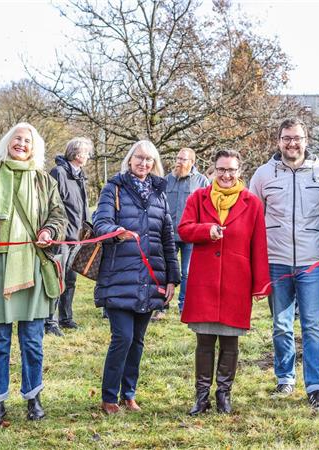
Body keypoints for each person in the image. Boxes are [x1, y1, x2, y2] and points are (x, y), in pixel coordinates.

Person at [0, 123, 67, 426]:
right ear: (7, 142)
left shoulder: (45, 181)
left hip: (33, 265)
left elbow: (58, 216)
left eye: (27, 141)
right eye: (17, 139)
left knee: (32, 339)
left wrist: (49, 231)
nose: (21, 144)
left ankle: (33, 397)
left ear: (35, 148)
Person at [249, 117, 319, 412]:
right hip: (276, 260)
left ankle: (316, 387)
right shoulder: (263, 175)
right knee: (281, 325)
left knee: (312, 326)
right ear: (278, 141)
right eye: (286, 138)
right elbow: (254, 218)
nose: (292, 143)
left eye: (297, 137)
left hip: (313, 263)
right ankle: (285, 378)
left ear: (306, 139)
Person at [179, 149, 271, 415]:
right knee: (204, 341)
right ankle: (201, 396)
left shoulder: (251, 203)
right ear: (213, 171)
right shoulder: (199, 197)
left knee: (230, 342)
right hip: (204, 281)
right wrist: (205, 231)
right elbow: (184, 229)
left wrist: (261, 283)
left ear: (239, 171)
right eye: (221, 169)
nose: (226, 175)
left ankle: (223, 395)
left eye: (231, 170)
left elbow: (259, 245)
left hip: (236, 282)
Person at [92, 140, 181, 414]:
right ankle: (109, 397)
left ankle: (128, 394)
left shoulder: (159, 193)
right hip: (119, 275)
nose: (144, 164)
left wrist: (172, 278)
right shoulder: (114, 188)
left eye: (149, 160)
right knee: (123, 337)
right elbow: (100, 223)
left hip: (150, 277)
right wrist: (117, 230)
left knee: (138, 340)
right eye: (139, 158)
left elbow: (168, 238)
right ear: (130, 160)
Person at [44, 137, 92, 336]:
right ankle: (50, 321)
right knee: (57, 278)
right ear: (78, 153)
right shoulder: (59, 173)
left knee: (70, 280)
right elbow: (53, 204)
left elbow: (82, 206)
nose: (88, 156)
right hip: (62, 237)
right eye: (87, 152)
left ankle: (66, 318)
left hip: (77, 237)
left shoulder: (80, 175)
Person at [161, 147, 208, 319]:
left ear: (192, 162)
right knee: (167, 270)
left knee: (187, 272)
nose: (179, 162)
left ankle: (184, 306)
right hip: (170, 234)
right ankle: (163, 306)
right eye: (178, 158)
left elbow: (207, 208)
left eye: (183, 159)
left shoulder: (201, 182)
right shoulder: (167, 180)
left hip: (191, 235)